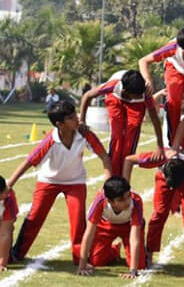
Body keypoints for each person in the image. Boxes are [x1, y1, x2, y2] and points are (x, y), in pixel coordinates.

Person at [9, 100, 112, 263]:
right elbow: (28, 162)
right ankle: (17, 253)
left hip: (75, 182)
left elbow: (105, 157)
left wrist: (108, 186)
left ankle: (80, 258)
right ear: (60, 124)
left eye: (75, 114)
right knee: (35, 217)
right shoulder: (50, 140)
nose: (77, 119)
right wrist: (9, 184)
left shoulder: (84, 134)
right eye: (71, 118)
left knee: (78, 221)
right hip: (48, 181)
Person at [122, 149, 184, 265]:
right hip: (162, 179)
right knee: (159, 214)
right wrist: (125, 189)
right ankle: (148, 255)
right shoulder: (160, 157)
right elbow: (128, 160)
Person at [79, 69, 164, 177]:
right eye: (137, 96)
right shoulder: (113, 85)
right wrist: (82, 120)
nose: (139, 97)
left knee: (131, 136)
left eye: (140, 95)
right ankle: (113, 178)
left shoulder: (144, 94)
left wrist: (160, 146)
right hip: (114, 98)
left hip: (136, 106)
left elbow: (155, 120)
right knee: (117, 135)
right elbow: (87, 96)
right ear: (125, 91)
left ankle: (124, 179)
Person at [75, 176, 146, 278]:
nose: (126, 201)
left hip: (129, 226)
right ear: (109, 201)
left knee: (140, 265)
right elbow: (89, 233)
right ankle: (114, 250)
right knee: (96, 261)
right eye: (121, 200)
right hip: (106, 225)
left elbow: (134, 237)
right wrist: (82, 266)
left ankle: (138, 254)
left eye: (128, 196)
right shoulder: (100, 201)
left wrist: (133, 271)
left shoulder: (136, 200)